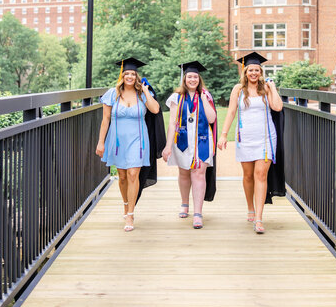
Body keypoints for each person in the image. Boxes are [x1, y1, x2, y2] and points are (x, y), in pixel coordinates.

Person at [217, 52, 284, 234]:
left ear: (261, 72)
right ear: (245, 72)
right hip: (245, 138)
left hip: (265, 138)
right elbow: (231, 112)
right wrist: (223, 135)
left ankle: (260, 219)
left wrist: (273, 87)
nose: (254, 73)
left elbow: (277, 107)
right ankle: (250, 208)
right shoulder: (238, 89)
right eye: (250, 70)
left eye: (257, 70)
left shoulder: (266, 89)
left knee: (260, 175)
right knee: (248, 176)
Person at [96, 57, 164, 232]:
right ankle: (126, 204)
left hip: (138, 140)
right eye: (127, 73)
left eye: (133, 74)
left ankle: (131, 214)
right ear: (122, 75)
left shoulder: (142, 94)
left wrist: (147, 91)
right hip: (117, 140)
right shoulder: (112, 94)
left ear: (136, 76)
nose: (130, 76)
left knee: (133, 174)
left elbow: (155, 109)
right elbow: (105, 120)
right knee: (123, 176)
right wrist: (101, 142)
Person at [162, 61, 217, 229]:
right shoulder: (176, 97)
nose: (192, 79)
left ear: (199, 79)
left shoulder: (206, 96)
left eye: (195, 77)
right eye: (189, 77)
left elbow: (212, 119)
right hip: (183, 141)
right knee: (184, 173)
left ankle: (198, 213)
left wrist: (203, 99)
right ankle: (185, 203)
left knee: (199, 173)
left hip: (202, 140)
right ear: (184, 79)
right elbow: (172, 123)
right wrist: (167, 146)